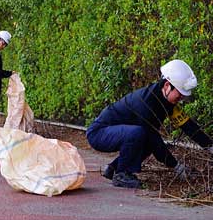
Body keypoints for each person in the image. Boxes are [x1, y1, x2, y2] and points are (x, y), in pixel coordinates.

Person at [87, 60, 213, 188]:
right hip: (99, 134)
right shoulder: (146, 103)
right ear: (167, 85)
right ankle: (122, 174)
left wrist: (210, 146)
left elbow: (188, 126)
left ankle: (113, 168)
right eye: (180, 95)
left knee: (145, 140)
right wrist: (177, 167)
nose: (181, 99)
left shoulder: (166, 101)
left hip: (118, 132)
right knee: (142, 135)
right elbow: (154, 140)